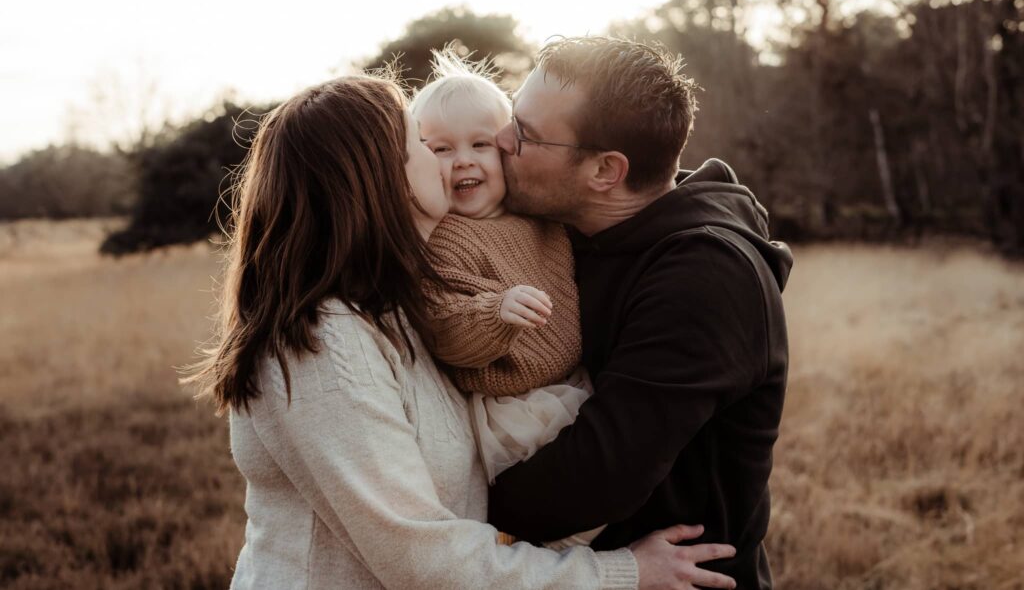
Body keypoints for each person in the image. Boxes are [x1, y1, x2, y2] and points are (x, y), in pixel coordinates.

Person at [183, 71, 740, 589]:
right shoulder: (325, 341)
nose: (451, 158)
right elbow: (419, 554)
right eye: (422, 145)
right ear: (384, 183)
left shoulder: (406, 306)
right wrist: (622, 573)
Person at [486, 37, 793, 590]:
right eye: (513, 115)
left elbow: (600, 473)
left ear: (605, 170)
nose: (502, 139)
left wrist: (429, 511)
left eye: (526, 134)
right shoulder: (570, 233)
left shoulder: (707, 275)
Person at [410, 49, 602, 549]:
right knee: (561, 535)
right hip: (514, 410)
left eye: (480, 144)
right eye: (441, 150)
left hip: (575, 383)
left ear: (508, 150)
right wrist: (495, 312)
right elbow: (443, 325)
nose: (464, 161)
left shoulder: (541, 219)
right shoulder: (446, 238)